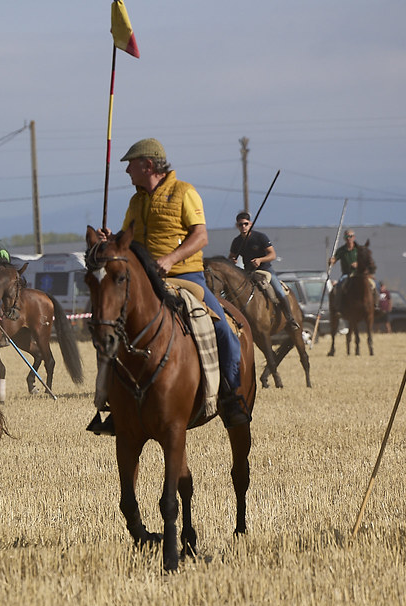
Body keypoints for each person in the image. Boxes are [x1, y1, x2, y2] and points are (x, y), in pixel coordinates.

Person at [96, 138, 246, 428]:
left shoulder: (184, 192)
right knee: (108, 326)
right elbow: (128, 240)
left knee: (222, 329)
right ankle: (114, 401)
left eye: (130, 165)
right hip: (145, 280)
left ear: (147, 165)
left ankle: (232, 396)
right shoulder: (136, 201)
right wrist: (112, 239)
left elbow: (201, 236)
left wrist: (170, 259)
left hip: (186, 276)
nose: (126, 171)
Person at [227, 211, 299, 331]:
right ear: (237, 226)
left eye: (245, 224)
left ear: (250, 224)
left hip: (265, 270)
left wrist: (260, 260)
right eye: (240, 224)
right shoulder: (237, 241)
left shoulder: (260, 237)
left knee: (279, 291)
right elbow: (231, 256)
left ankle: (290, 319)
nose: (243, 227)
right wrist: (232, 260)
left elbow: (273, 255)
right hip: (248, 272)